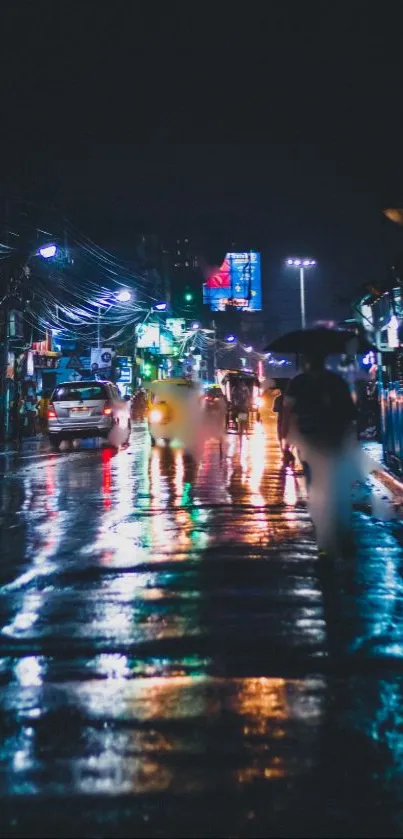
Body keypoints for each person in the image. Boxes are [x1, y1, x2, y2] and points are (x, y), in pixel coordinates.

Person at [281, 353, 357, 555]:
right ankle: (339, 529)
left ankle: (323, 533)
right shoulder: (336, 381)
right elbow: (350, 414)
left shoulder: (298, 383)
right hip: (333, 441)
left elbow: (287, 414)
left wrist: (285, 448)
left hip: (310, 442)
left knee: (315, 485)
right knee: (336, 485)